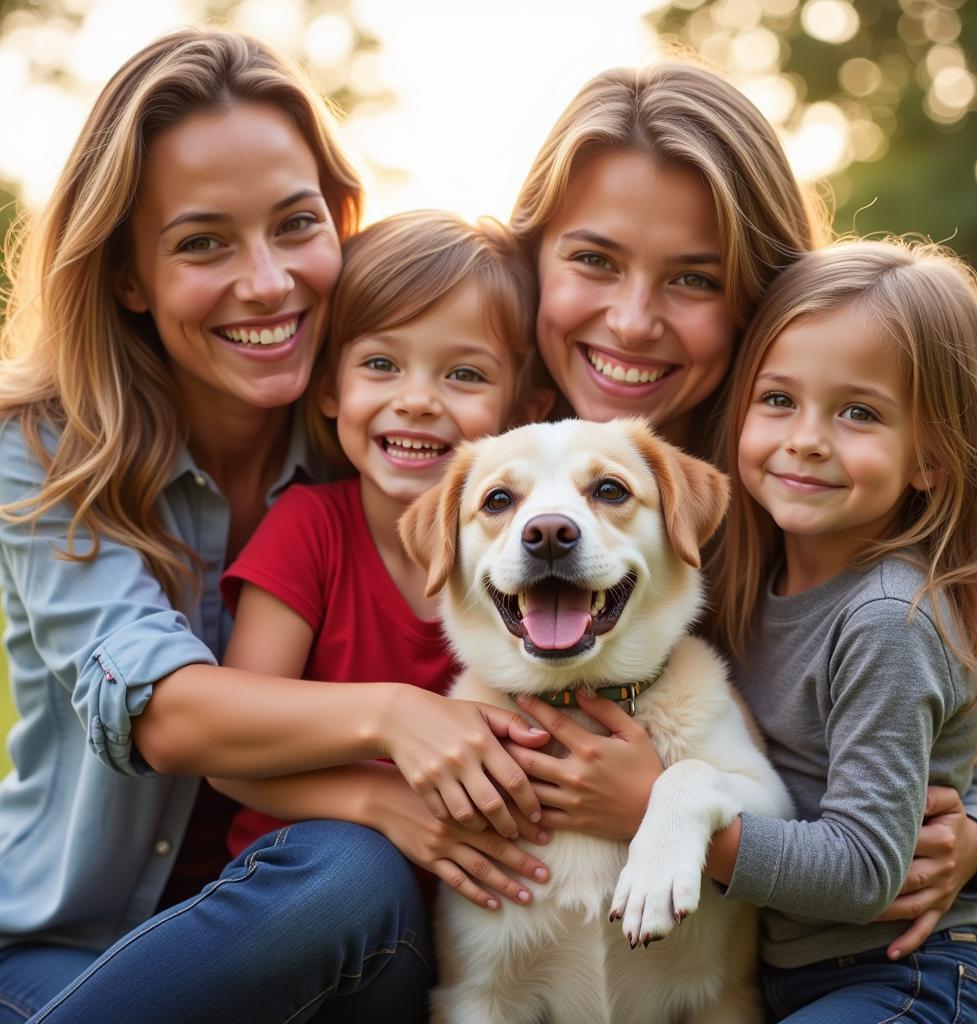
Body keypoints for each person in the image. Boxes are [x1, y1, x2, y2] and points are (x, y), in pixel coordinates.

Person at [0, 31, 549, 1024]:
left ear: (340, 221)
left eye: (295, 225)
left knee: (351, 877)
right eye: (203, 241)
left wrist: (881, 817)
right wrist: (388, 738)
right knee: (353, 855)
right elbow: (161, 712)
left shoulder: (390, 440)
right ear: (130, 275)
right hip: (73, 956)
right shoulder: (43, 452)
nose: (266, 283)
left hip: (343, 951)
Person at [501, 61, 977, 959]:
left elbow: (919, 718)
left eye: (693, 279)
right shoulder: (478, 439)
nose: (630, 321)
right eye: (593, 259)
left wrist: (976, 833)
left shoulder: (789, 492)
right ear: (532, 256)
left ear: (762, 299)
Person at [700, 238, 977, 1020]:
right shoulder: (747, 581)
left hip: (907, 984)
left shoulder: (887, 620)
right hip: (797, 984)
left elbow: (861, 871)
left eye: (858, 412)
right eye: (779, 399)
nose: (807, 437)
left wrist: (657, 823)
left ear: (932, 456)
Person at [214, 210, 554, 911]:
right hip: (295, 901)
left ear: (524, 410)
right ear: (332, 386)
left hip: (465, 932)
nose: (418, 400)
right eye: (381, 364)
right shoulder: (311, 528)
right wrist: (380, 802)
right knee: (351, 866)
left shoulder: (546, 564)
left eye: (463, 374)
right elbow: (228, 753)